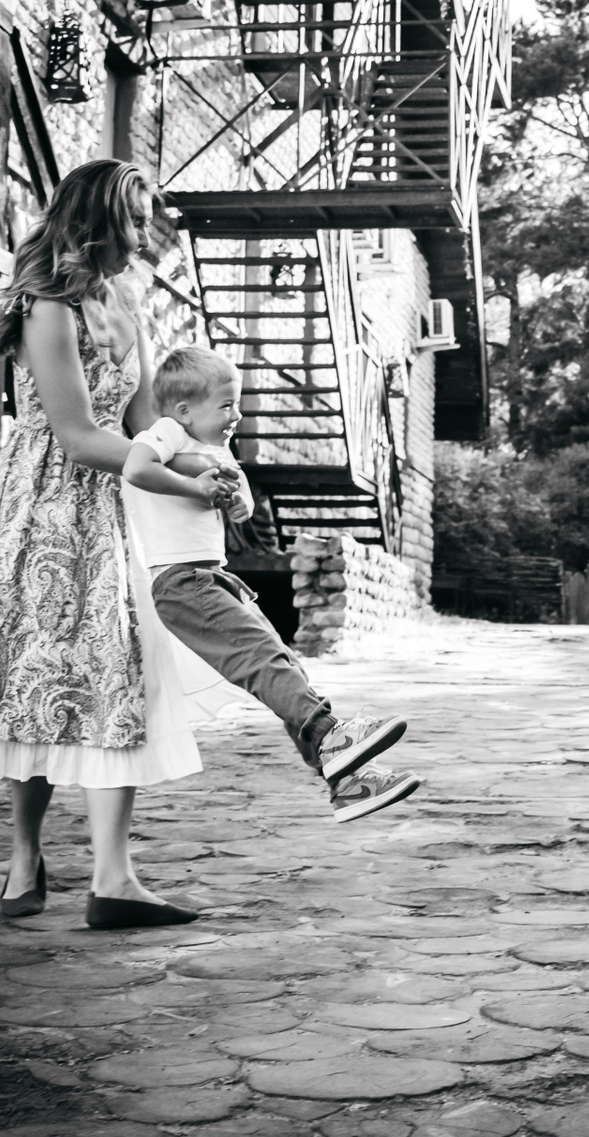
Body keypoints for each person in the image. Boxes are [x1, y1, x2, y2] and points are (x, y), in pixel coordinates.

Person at [0, 159, 209, 931]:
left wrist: (202, 461)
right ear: (98, 219)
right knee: (39, 673)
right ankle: (24, 853)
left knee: (114, 671)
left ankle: (113, 879)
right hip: (45, 502)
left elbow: (141, 426)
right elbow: (75, 435)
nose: (147, 231)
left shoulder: (126, 302)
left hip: (113, 499)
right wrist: (178, 478)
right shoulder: (46, 307)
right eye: (136, 216)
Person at [121, 346, 420, 821]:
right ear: (184, 410)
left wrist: (240, 499)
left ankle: (347, 780)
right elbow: (136, 468)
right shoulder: (167, 433)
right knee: (262, 660)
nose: (236, 415)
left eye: (237, 404)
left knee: (283, 666)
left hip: (215, 577)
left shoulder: (212, 447)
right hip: (181, 581)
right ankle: (330, 733)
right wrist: (196, 486)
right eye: (226, 405)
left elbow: (237, 486)